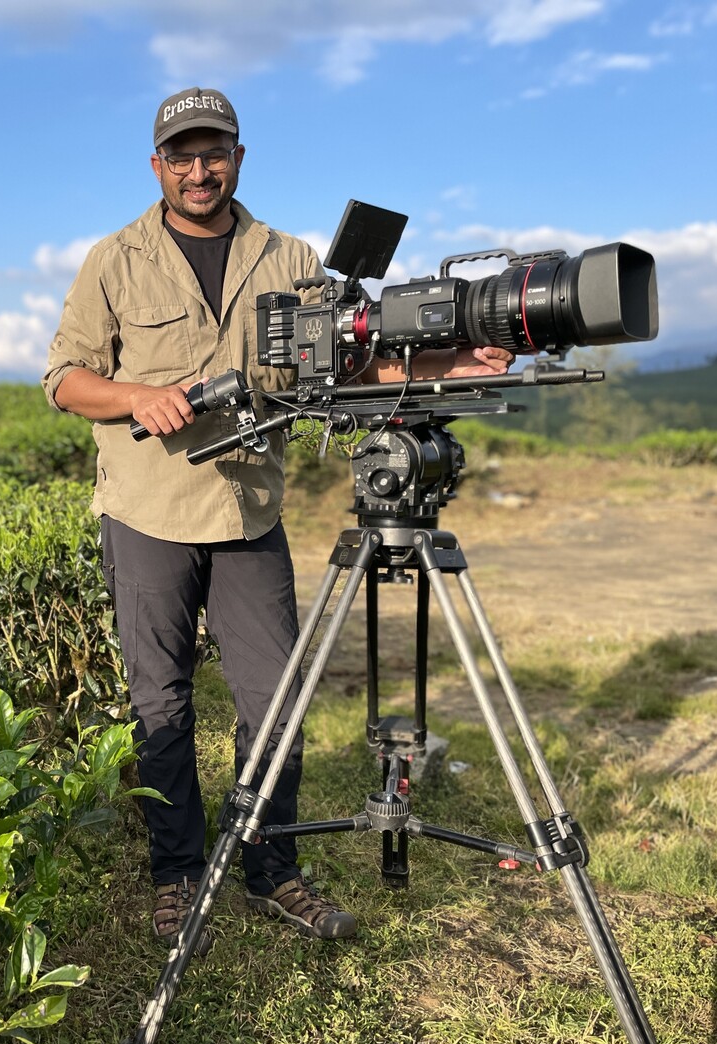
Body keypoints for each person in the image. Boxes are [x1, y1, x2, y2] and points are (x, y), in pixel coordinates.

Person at [41, 87, 510, 953]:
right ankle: (179, 875)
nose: (198, 169)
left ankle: (271, 865)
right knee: (163, 701)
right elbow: (65, 379)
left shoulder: (289, 256)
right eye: (180, 155)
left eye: (213, 151)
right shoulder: (115, 259)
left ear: (239, 159)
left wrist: (452, 360)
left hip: (249, 508)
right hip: (149, 506)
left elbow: (348, 363)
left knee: (275, 697)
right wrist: (139, 394)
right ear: (157, 166)